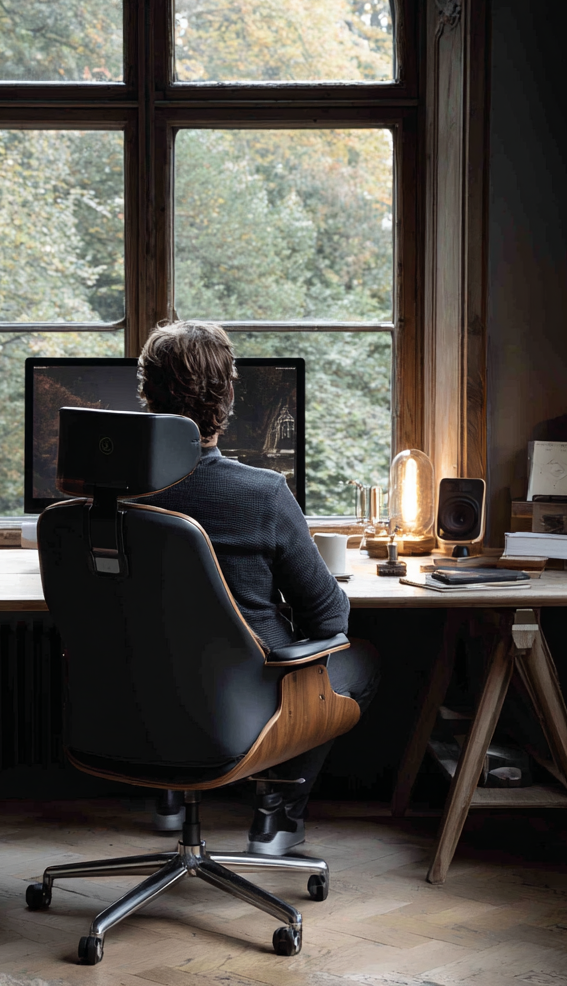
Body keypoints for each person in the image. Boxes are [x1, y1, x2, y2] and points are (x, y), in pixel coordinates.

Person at [138, 320, 380, 855]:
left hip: (135, 710)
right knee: (357, 660)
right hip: (246, 707)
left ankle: (168, 794)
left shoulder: (108, 500)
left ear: (146, 395)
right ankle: (275, 817)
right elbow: (329, 621)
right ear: (226, 397)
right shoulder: (264, 492)